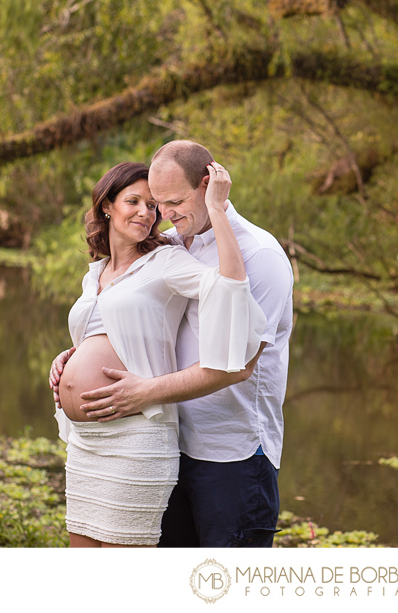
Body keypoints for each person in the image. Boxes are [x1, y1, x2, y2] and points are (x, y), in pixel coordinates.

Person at [51, 140, 294, 547]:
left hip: (229, 452)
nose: (162, 214)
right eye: (158, 203)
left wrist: (145, 392)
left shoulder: (259, 253)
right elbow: (141, 319)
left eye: (173, 201)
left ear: (208, 185)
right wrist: (78, 354)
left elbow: (240, 364)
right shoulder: (172, 242)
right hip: (170, 441)